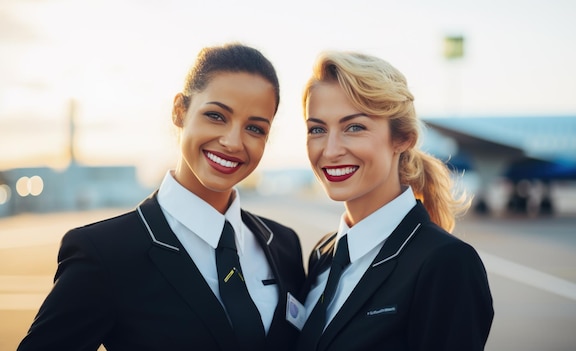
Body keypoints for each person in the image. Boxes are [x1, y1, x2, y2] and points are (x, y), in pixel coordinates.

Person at [17, 43, 305, 351]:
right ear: (180, 111)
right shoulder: (105, 253)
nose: (233, 142)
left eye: (255, 128)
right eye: (216, 116)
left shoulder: (284, 245)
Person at [297, 51, 494, 351]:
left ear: (402, 139)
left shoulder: (446, 264)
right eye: (317, 130)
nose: (331, 149)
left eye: (354, 127)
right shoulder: (324, 255)